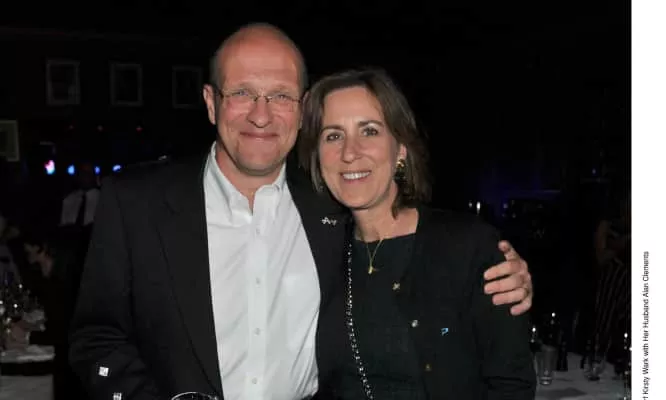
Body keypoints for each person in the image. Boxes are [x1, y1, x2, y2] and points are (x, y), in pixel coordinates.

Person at [69, 23, 533, 400]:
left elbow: (420, 250)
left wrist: (503, 268)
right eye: (242, 93)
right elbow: (96, 338)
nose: (261, 115)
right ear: (211, 103)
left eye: (280, 96)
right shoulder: (136, 202)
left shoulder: (330, 203)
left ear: (302, 107)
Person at [299, 67, 536, 399]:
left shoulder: (469, 247)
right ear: (318, 156)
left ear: (400, 149)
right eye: (333, 136)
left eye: (369, 131)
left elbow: (511, 385)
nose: (350, 152)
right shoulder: (318, 249)